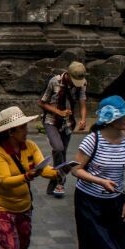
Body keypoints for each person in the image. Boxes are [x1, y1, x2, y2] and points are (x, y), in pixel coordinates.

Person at [0, 106, 59, 249]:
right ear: (11, 131)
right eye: (23, 128)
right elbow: (4, 180)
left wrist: (59, 172)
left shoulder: (30, 147)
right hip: (0, 205)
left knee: (22, 244)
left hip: (24, 205)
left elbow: (43, 169)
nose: (26, 131)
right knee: (7, 244)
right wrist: (27, 176)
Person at [73, 95, 125, 249]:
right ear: (111, 119)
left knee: (119, 237)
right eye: (123, 116)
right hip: (88, 199)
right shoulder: (93, 140)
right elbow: (76, 169)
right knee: (94, 238)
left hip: (115, 198)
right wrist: (100, 181)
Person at [39, 61, 87, 197]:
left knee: (62, 153)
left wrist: (83, 119)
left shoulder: (82, 84)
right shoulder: (55, 81)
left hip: (67, 123)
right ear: (68, 75)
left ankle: (56, 182)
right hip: (51, 120)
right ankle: (60, 181)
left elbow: (82, 104)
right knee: (58, 148)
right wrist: (58, 112)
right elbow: (42, 103)